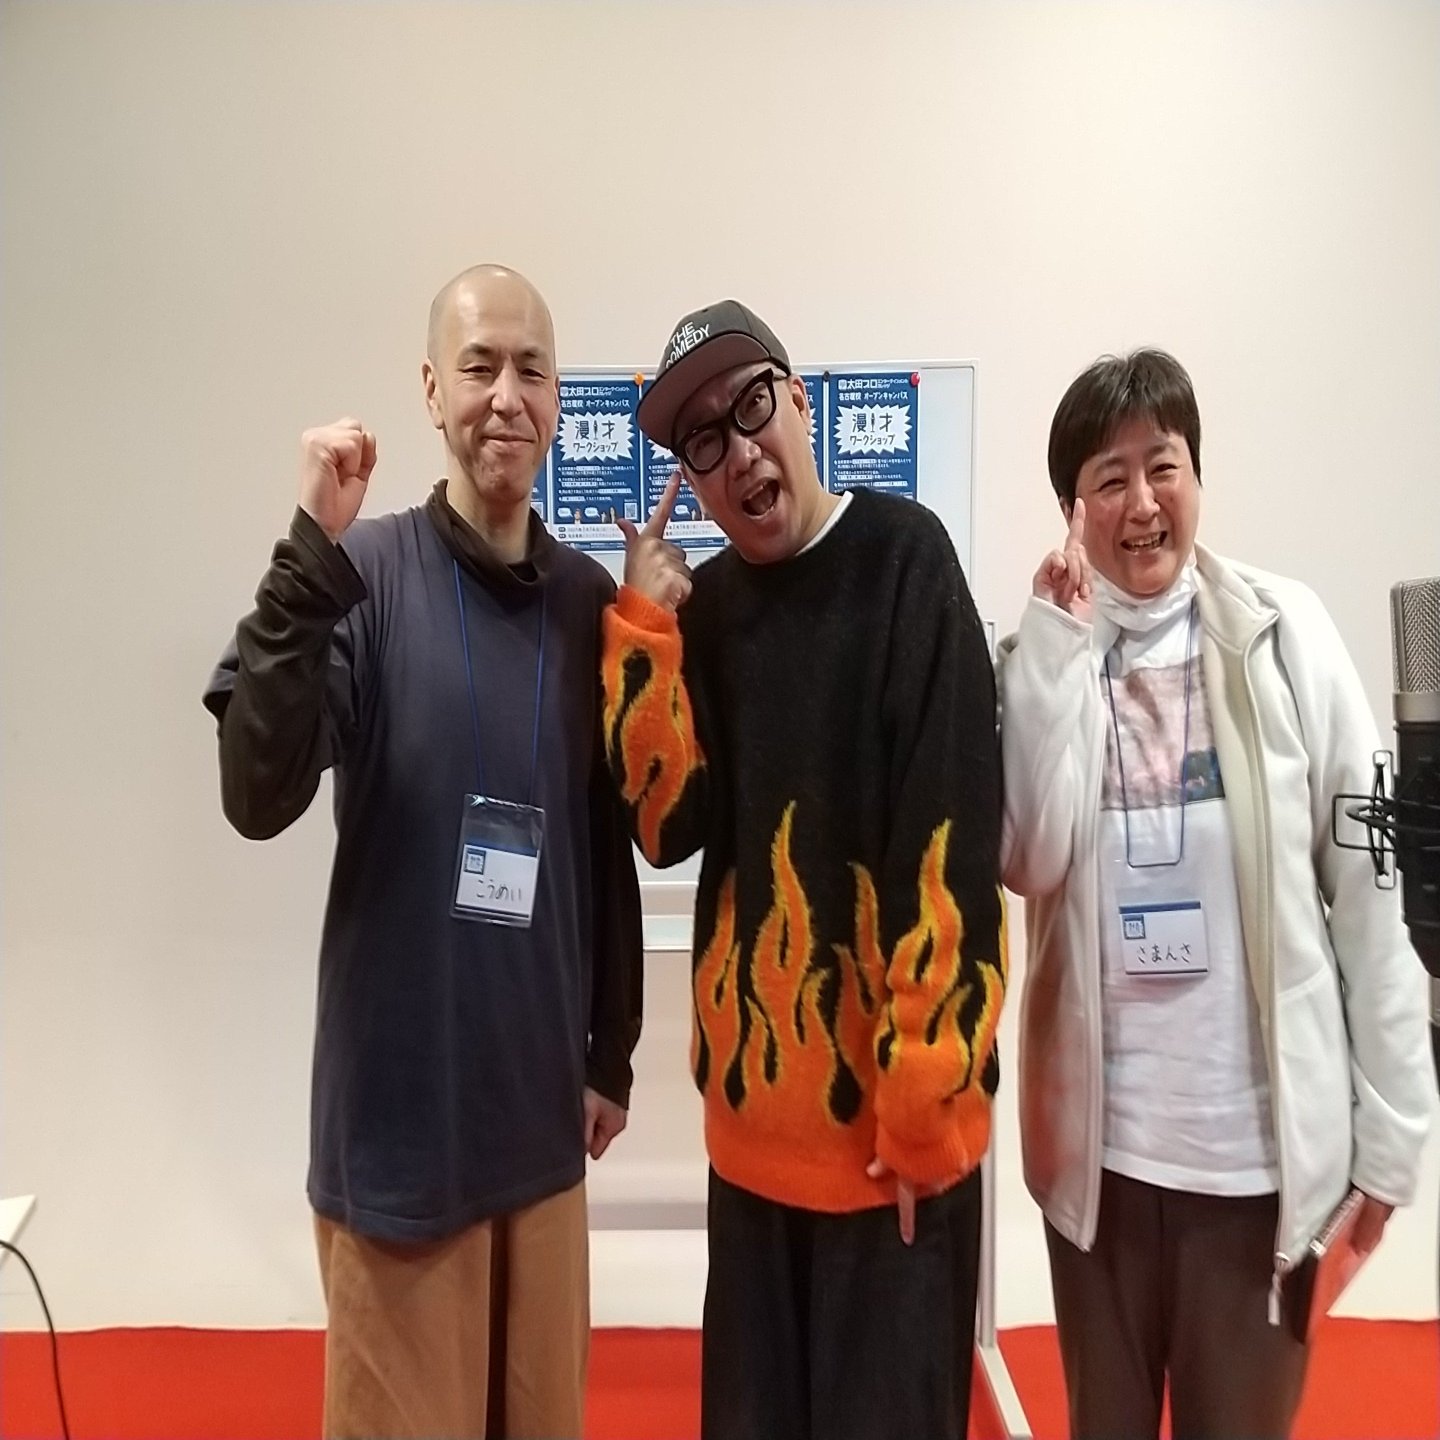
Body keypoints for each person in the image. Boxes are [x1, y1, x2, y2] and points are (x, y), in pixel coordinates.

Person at [202, 264, 643, 1440]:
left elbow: (602, 844)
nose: (507, 395)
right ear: (433, 390)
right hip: (398, 1137)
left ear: (559, 400)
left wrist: (611, 1049)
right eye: (479, 365)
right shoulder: (362, 577)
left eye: (532, 369)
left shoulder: (587, 601)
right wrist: (308, 552)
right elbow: (257, 792)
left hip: (539, 1124)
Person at [999, 348, 1431, 1439]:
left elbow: (1369, 891)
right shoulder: (1050, 654)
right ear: (1072, 509)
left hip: (1257, 1172)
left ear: (1197, 474)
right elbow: (1029, 858)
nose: (1142, 504)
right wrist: (1051, 648)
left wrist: (1393, 1132)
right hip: (1099, 1170)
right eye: (1109, 479)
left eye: (1164, 466)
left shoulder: (1285, 634)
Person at [603, 299, 1005, 1440]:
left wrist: (926, 1105)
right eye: (702, 441)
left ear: (798, 400)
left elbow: (950, 841)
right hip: (750, 1149)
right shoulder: (715, 611)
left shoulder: (905, 561)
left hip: (891, 1153)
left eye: (749, 409)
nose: (736, 453)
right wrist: (643, 631)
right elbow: (666, 826)